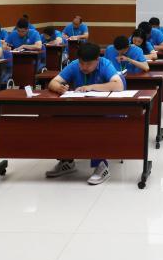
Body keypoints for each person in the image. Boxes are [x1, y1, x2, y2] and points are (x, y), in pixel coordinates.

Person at [46, 42, 125, 185]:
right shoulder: (74, 65)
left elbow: (118, 85)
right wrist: (59, 88)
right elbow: (53, 82)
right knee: (58, 118)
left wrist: (91, 87)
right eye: (81, 63)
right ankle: (67, 160)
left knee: (97, 123)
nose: (84, 67)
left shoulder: (105, 64)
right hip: (82, 108)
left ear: (97, 60)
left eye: (88, 64)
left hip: (107, 110)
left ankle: (101, 166)